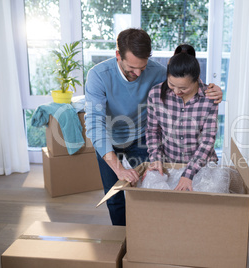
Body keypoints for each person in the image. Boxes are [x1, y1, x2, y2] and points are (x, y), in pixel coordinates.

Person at [84, 29, 222, 225]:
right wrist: (119, 170)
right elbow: (95, 125)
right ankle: (125, 239)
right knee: (114, 196)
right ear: (118, 56)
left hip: (141, 137)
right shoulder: (98, 76)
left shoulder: (157, 72)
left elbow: (185, 79)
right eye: (131, 68)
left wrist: (213, 90)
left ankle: (149, 233)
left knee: (152, 190)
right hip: (107, 138)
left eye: (143, 66)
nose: (138, 73)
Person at [145, 44, 219, 191]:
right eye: (172, 85)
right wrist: (156, 158)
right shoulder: (155, 94)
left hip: (202, 168)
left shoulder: (210, 97)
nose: (177, 91)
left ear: (197, 79)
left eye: (184, 88)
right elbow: (153, 131)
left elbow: (207, 140)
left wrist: (188, 174)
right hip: (170, 167)